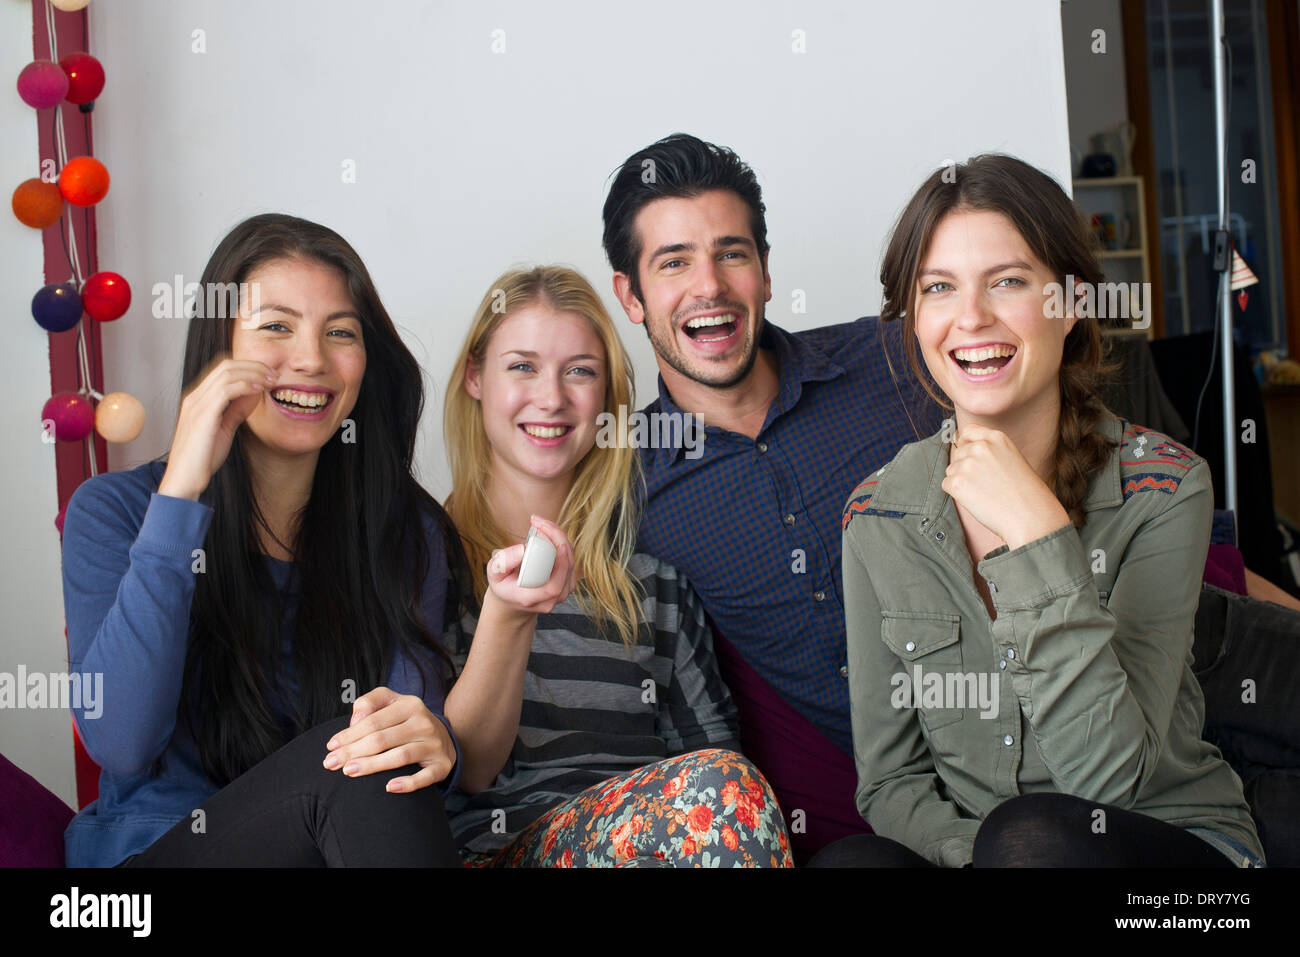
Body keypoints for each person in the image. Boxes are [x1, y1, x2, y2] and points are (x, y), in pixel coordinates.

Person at [835, 154, 1264, 867]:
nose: (970, 317)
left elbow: (1111, 781)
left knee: (1034, 839)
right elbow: (892, 782)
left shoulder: (1165, 488)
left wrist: (1038, 536)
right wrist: (973, 855)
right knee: (853, 863)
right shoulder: (877, 515)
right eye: (939, 287)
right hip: (995, 856)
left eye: (1007, 281)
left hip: (1173, 861)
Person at [62, 213, 483, 867]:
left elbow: (399, 739)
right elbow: (120, 740)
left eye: (340, 332)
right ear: (219, 349)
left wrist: (437, 741)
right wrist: (181, 492)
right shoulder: (115, 510)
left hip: (329, 850)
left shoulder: (403, 532)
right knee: (363, 770)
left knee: (373, 758)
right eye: (277, 327)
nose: (311, 359)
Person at [602, 133, 943, 861]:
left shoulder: (894, 362)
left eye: (732, 253)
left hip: (1017, 737)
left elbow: (1064, 436)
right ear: (630, 295)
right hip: (867, 821)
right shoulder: (626, 484)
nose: (710, 286)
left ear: (763, 269)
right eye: (674, 262)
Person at [437, 264, 792, 867]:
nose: (551, 397)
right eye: (522, 366)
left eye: (580, 372)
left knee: (725, 786)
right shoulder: (429, 565)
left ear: (606, 398)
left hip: (666, 842)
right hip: (506, 851)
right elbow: (458, 770)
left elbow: (721, 767)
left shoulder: (656, 587)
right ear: (475, 377)